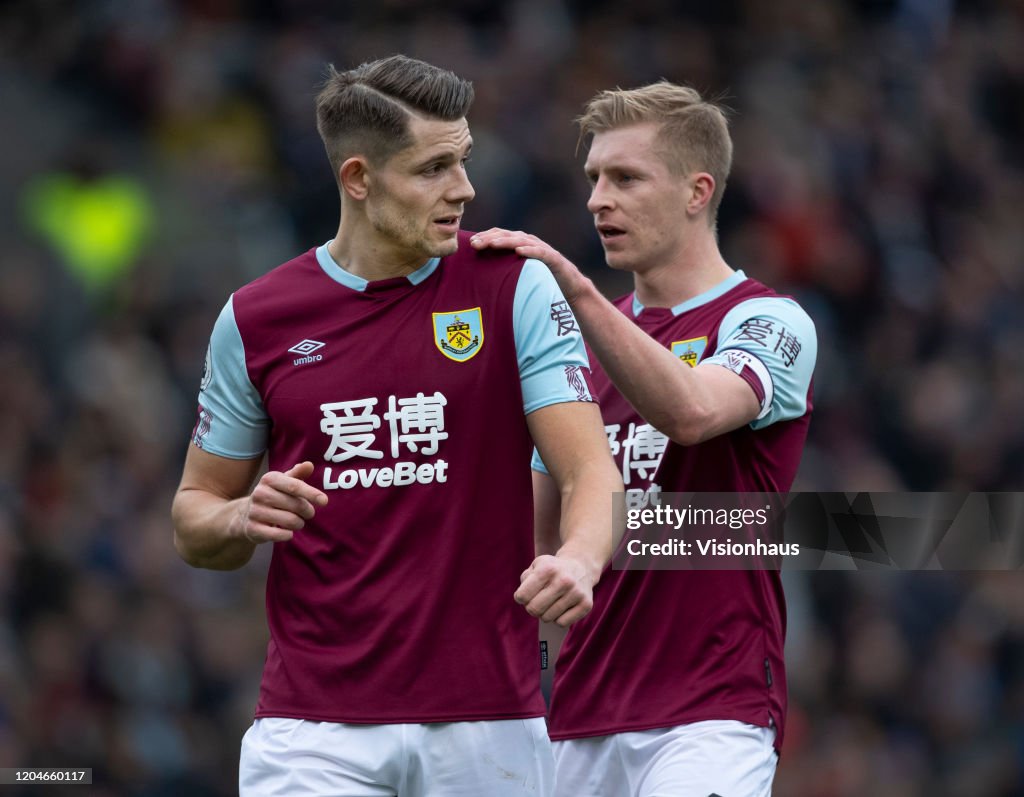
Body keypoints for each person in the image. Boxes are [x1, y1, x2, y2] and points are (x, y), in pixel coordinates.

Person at [171, 54, 622, 797]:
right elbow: (193, 520)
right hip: (313, 731)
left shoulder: (511, 283)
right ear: (358, 178)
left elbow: (590, 469)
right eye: (434, 168)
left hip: (490, 722)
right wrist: (244, 514)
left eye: (464, 160)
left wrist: (578, 557)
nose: (465, 189)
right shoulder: (256, 319)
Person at [471, 81, 816, 796]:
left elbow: (691, 411)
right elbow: (534, 536)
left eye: (625, 177)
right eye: (594, 178)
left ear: (697, 192)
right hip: (580, 714)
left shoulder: (769, 322)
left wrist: (578, 294)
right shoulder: (571, 350)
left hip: (712, 716)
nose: (598, 199)